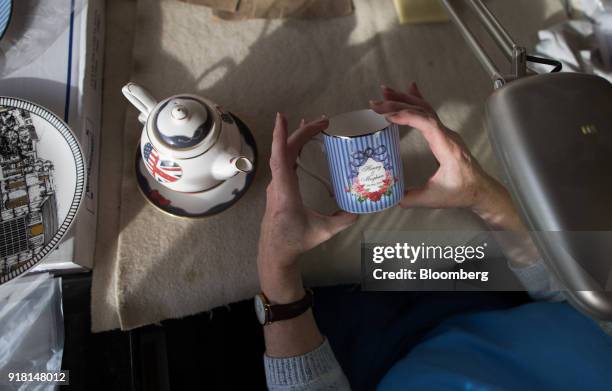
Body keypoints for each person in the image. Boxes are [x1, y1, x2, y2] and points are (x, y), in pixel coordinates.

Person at [256, 83, 612, 390]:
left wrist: (276, 265)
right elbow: (574, 296)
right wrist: (484, 196)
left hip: (373, 343)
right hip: (496, 294)